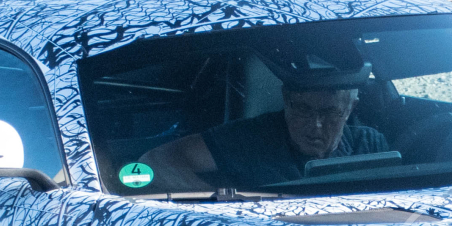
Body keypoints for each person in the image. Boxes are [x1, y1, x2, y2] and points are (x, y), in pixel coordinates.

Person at [138, 58, 391, 191]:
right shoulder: (251, 138)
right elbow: (155, 162)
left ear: (350, 110)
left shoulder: (369, 144)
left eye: (330, 113)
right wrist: (219, 200)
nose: (315, 125)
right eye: (303, 109)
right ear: (286, 100)